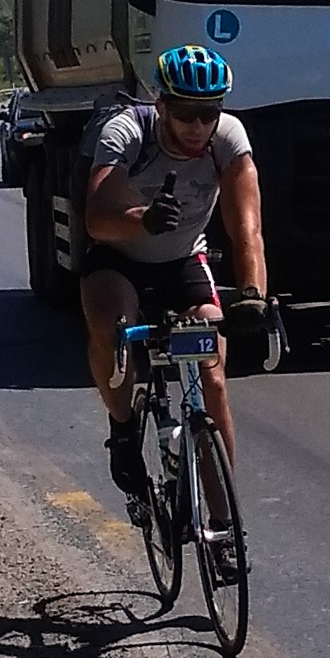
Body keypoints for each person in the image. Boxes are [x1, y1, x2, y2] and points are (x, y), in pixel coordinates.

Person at [80, 45, 268, 544]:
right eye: (184, 112)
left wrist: (253, 296)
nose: (197, 125)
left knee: (213, 376)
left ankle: (224, 527)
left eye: (208, 113)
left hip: (182, 262)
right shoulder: (126, 131)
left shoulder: (228, 138)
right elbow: (97, 219)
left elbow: (247, 228)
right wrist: (141, 219)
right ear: (160, 105)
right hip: (118, 257)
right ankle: (123, 427)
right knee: (110, 328)